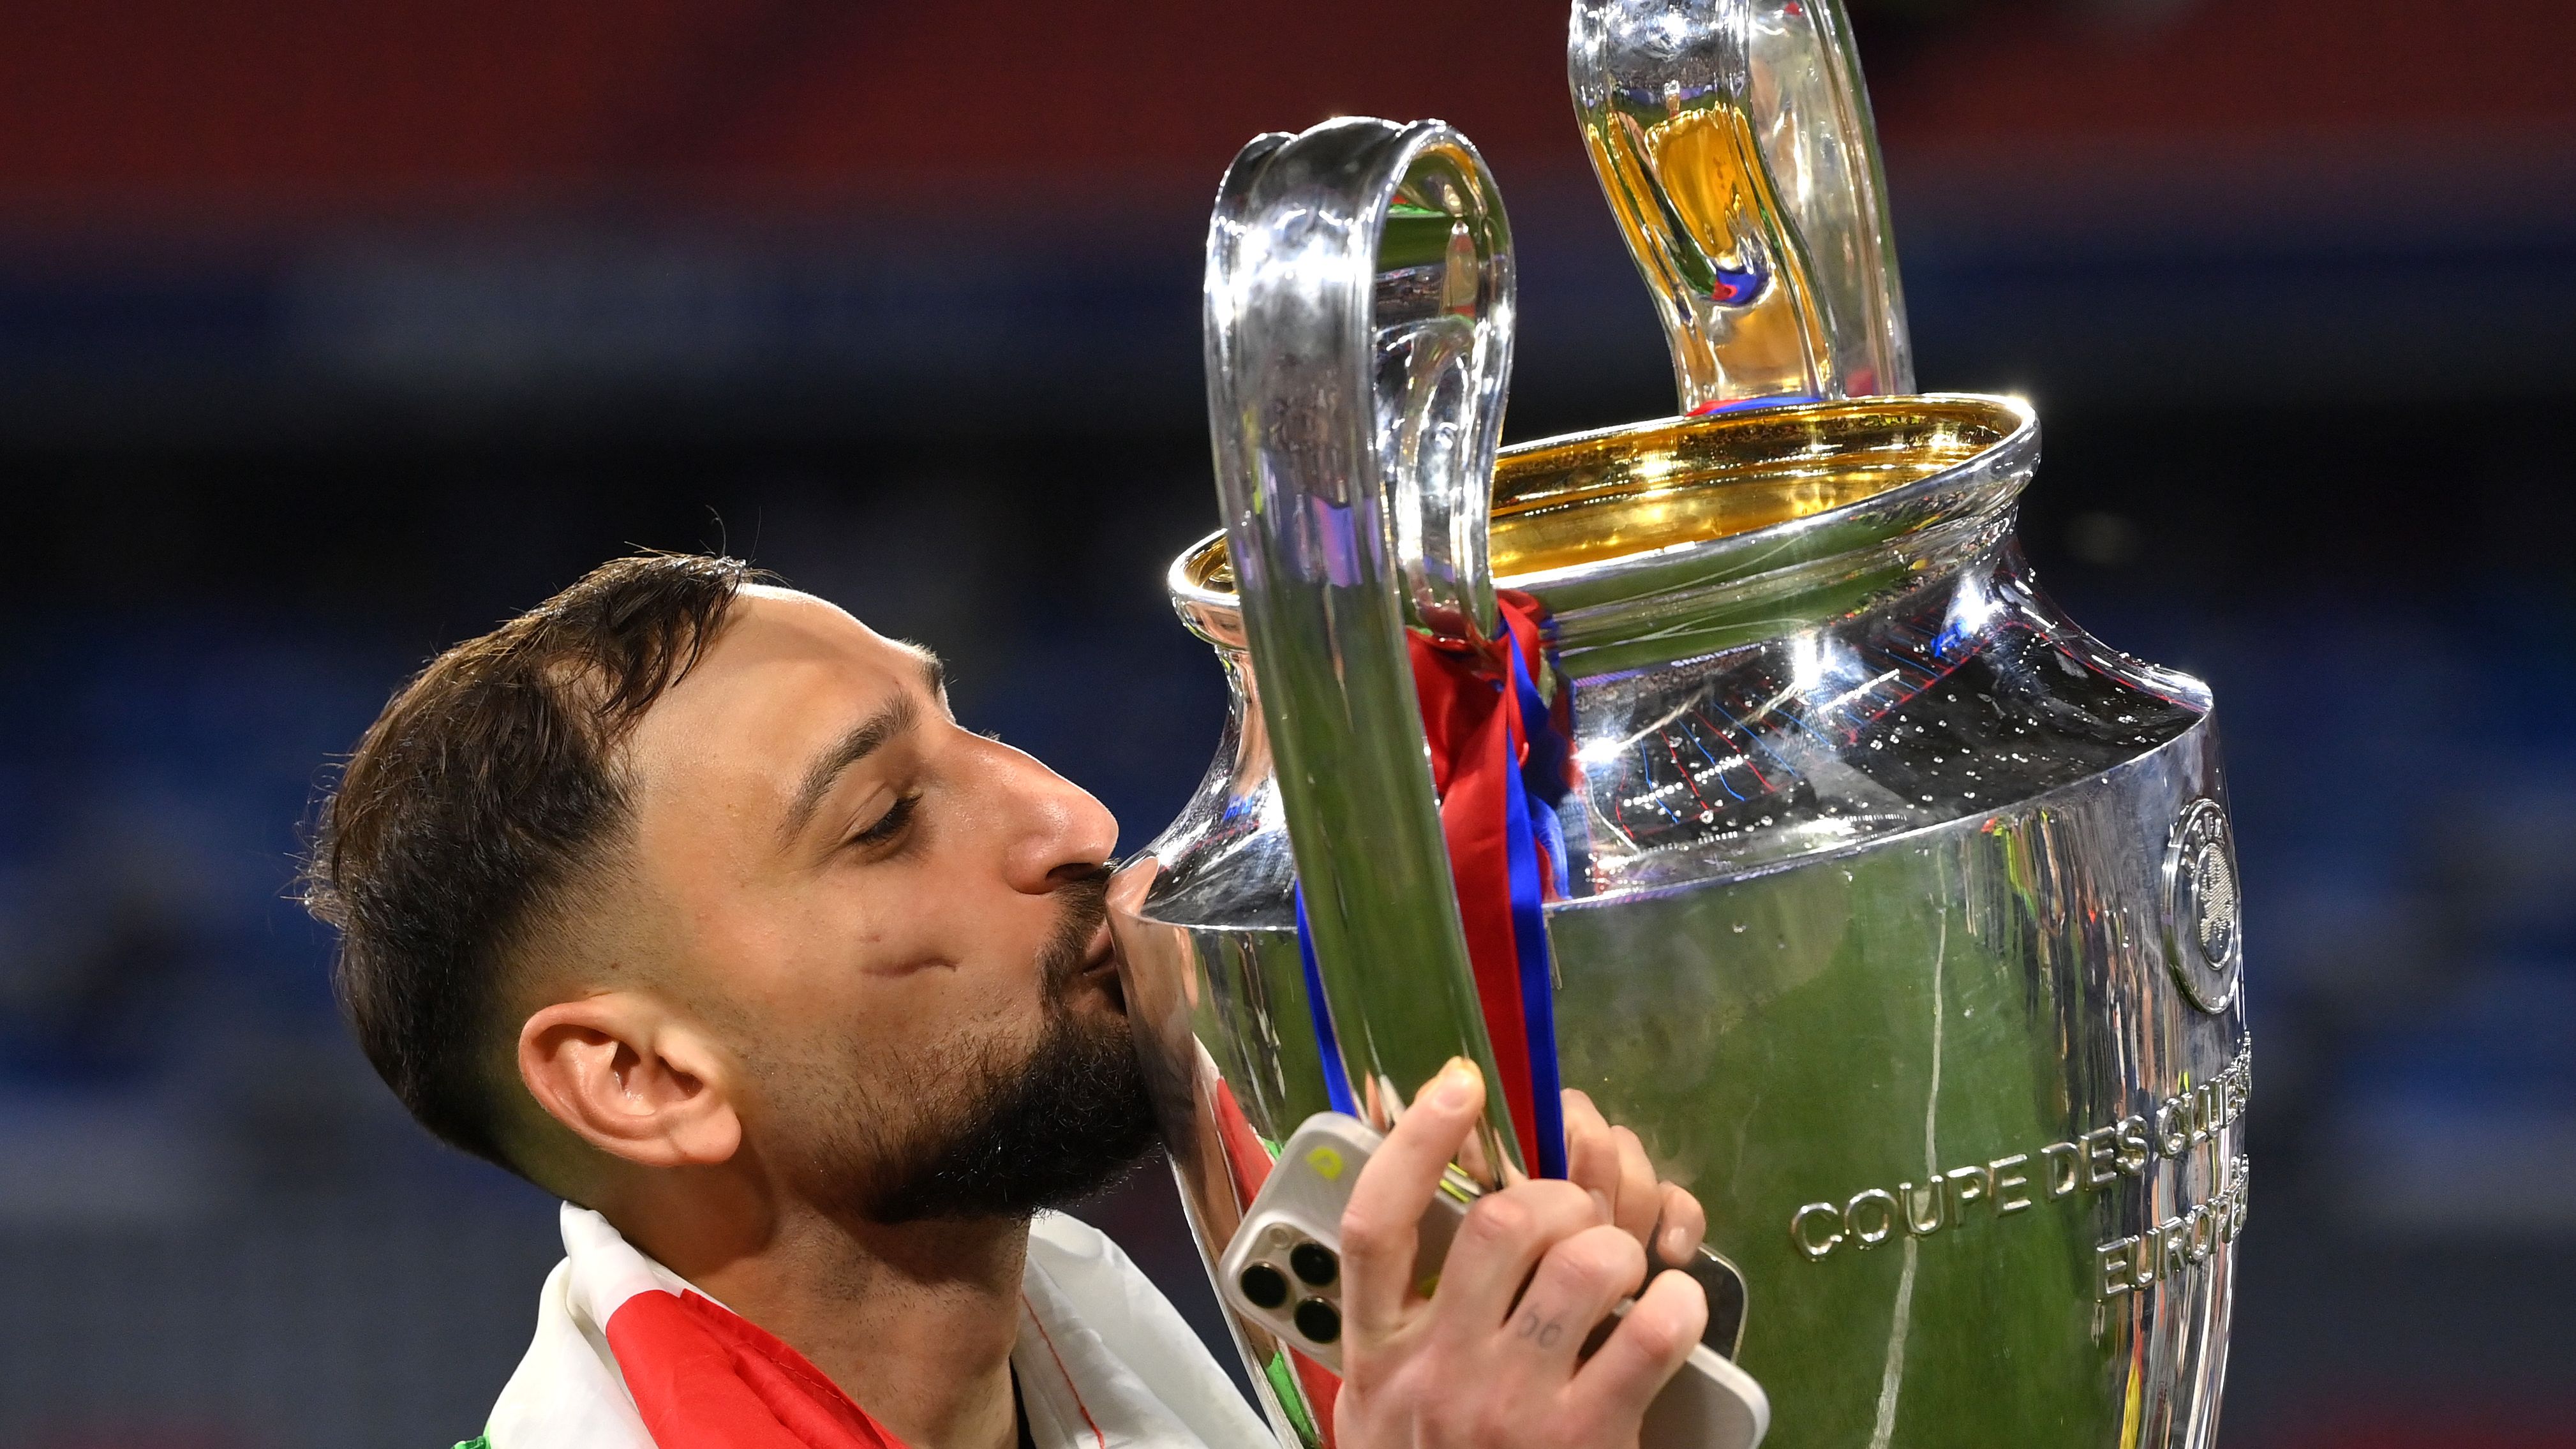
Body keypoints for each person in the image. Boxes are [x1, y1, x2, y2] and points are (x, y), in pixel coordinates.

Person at [303, 552, 1715, 1449]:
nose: (1073, 818)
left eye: (969, 726)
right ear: (641, 1078)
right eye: (884, 820)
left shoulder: (1106, 1361)